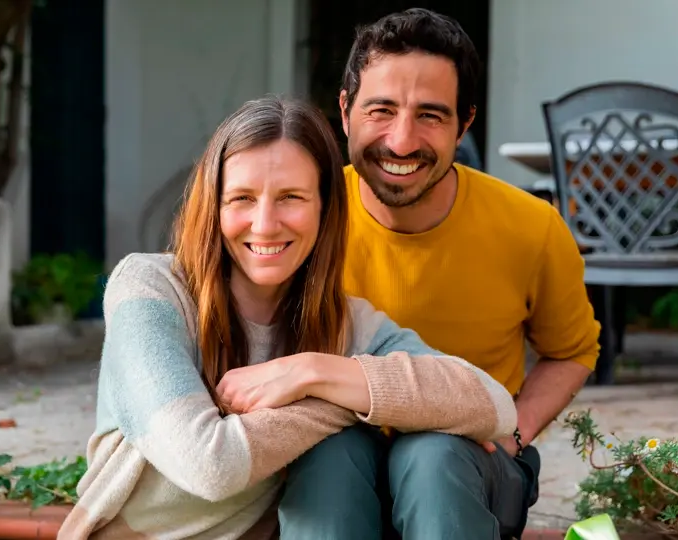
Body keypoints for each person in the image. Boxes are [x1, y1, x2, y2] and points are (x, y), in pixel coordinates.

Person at [56, 96, 519, 540]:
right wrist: (342, 398)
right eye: (242, 198)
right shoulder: (151, 290)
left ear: (325, 208)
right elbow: (210, 465)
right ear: (213, 205)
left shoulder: (344, 324)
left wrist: (310, 371)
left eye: (291, 197)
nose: (264, 224)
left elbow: (493, 405)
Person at [267, 8, 602, 540]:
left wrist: (513, 431)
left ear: (464, 123)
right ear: (346, 110)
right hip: (337, 454)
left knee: (433, 454)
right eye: (381, 110)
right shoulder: (301, 220)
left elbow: (571, 351)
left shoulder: (530, 226)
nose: (402, 142)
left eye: (431, 115)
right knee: (329, 454)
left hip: (469, 461)